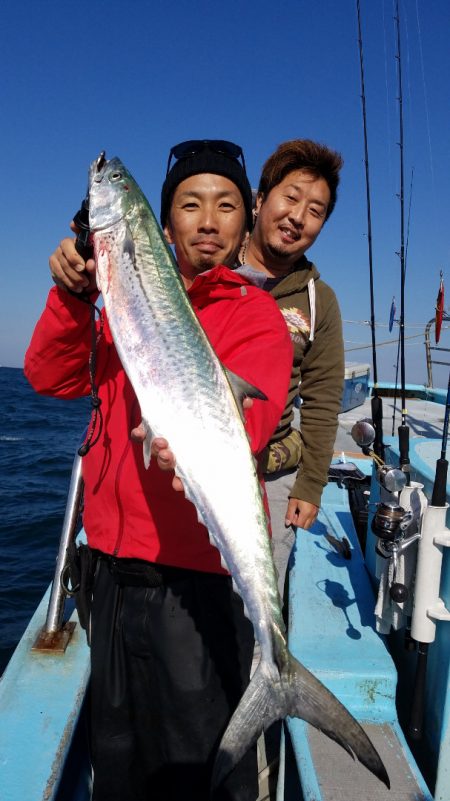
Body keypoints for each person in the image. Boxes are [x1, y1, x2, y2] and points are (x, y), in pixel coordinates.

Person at [24, 140, 293, 801]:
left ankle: (275, 671)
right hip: (111, 582)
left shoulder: (256, 315)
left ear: (246, 220)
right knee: (117, 768)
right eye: (191, 204)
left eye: (226, 205)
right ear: (164, 225)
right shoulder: (120, 307)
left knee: (192, 771)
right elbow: (47, 375)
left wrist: (197, 449)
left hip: (193, 590)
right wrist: (71, 294)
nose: (209, 219)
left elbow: (251, 420)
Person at [238, 139, 345, 600]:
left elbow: (323, 400)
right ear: (260, 200)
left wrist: (311, 485)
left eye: (316, 210)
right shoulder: (207, 261)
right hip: (186, 462)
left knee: (255, 604)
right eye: (291, 197)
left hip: (270, 475)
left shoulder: (320, 301)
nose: (299, 217)